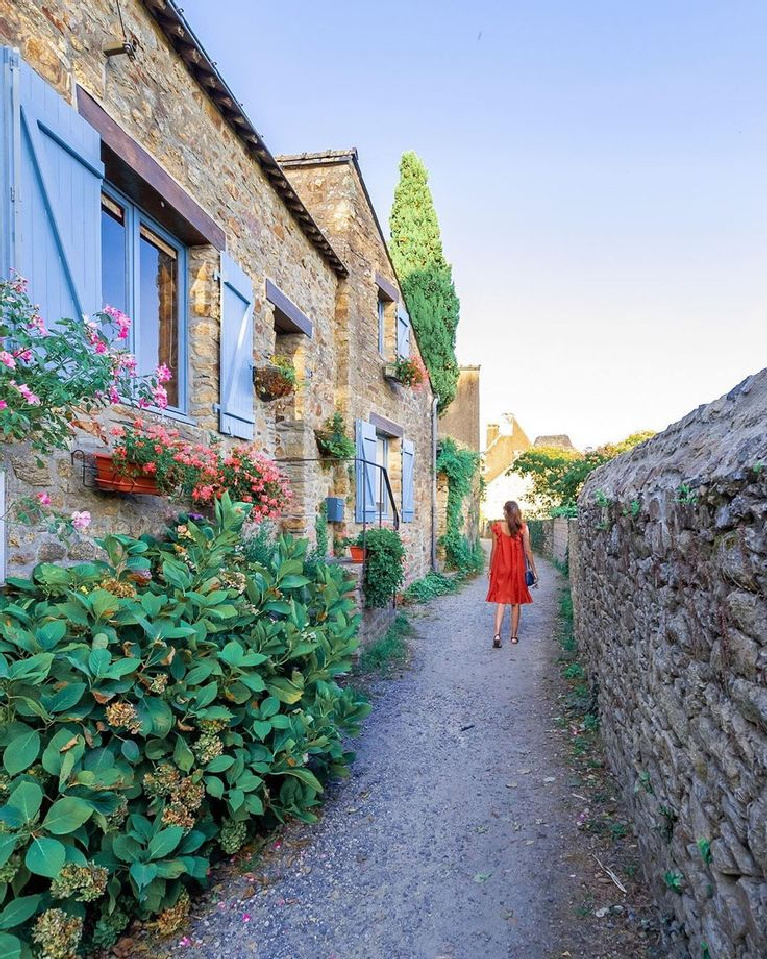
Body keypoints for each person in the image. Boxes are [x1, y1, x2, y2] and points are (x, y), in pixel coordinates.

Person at [487, 500, 538, 647]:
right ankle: (513, 637)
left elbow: (494, 550)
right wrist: (534, 571)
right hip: (517, 569)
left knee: (501, 601)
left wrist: (490, 569)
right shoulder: (523, 528)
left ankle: (496, 635)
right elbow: (528, 551)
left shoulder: (497, 527)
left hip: (501, 568)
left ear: (505, 512)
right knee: (515, 602)